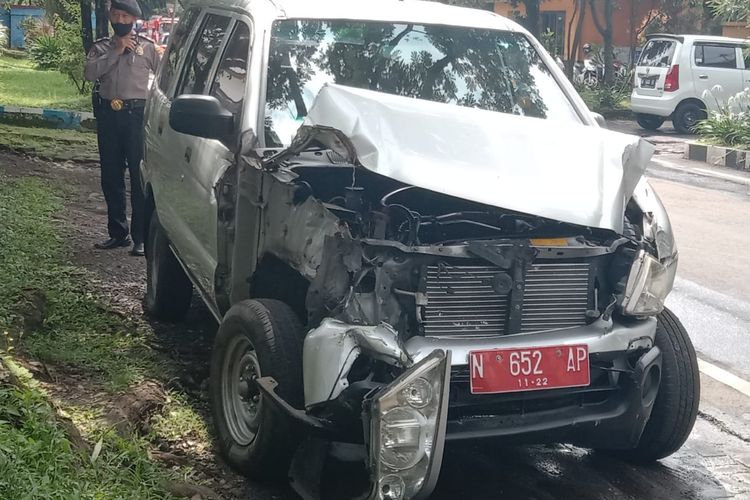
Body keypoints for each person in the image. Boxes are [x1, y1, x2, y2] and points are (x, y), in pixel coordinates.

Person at [84, 0, 160, 256]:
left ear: (134, 19)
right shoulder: (101, 47)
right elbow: (89, 74)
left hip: (136, 116)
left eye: (125, 16)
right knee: (111, 176)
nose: (120, 20)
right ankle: (118, 233)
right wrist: (115, 51)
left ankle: (140, 237)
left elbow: (163, 78)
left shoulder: (148, 48)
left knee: (138, 178)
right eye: (116, 15)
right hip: (108, 116)